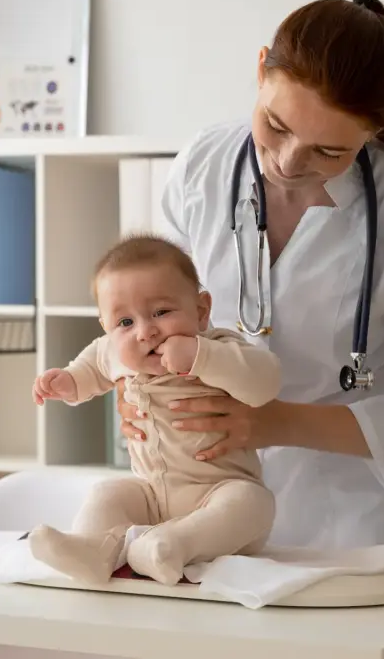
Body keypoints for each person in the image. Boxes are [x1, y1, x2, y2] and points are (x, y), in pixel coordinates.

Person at [0, 0, 384, 659]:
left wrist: (273, 420)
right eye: (275, 125)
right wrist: (135, 401)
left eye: (328, 151)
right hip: (195, 518)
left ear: (381, 122)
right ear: (258, 71)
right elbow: (151, 306)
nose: (287, 161)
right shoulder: (204, 166)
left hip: (358, 521)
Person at [28, 234, 282, 586]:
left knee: (254, 502)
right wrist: (67, 382)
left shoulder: (217, 347)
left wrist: (200, 358)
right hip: (152, 498)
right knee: (109, 494)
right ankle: (93, 550)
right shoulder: (112, 351)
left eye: (161, 312)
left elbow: (264, 381)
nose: (146, 332)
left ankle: (172, 546)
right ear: (106, 327)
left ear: (201, 310)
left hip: (219, 491)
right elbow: (90, 370)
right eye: (125, 323)